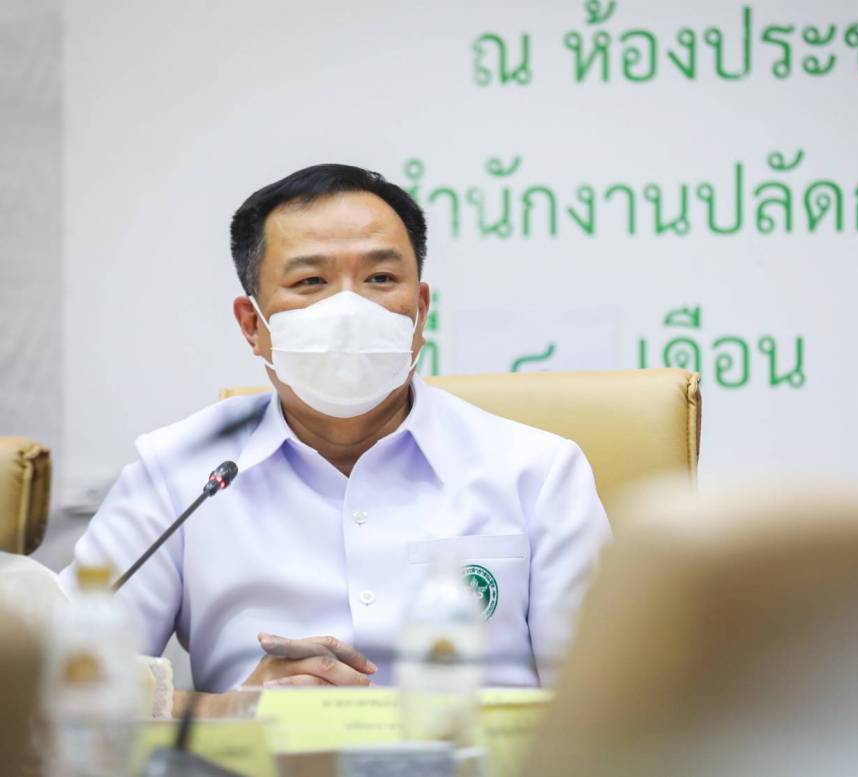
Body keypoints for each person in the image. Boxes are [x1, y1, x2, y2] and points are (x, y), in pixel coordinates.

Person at [60, 163, 610, 698]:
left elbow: (609, 704)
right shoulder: (178, 472)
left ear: (420, 311)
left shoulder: (537, 473)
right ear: (253, 325)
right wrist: (228, 710)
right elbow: (60, 677)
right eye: (311, 281)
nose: (349, 309)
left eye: (380, 279)